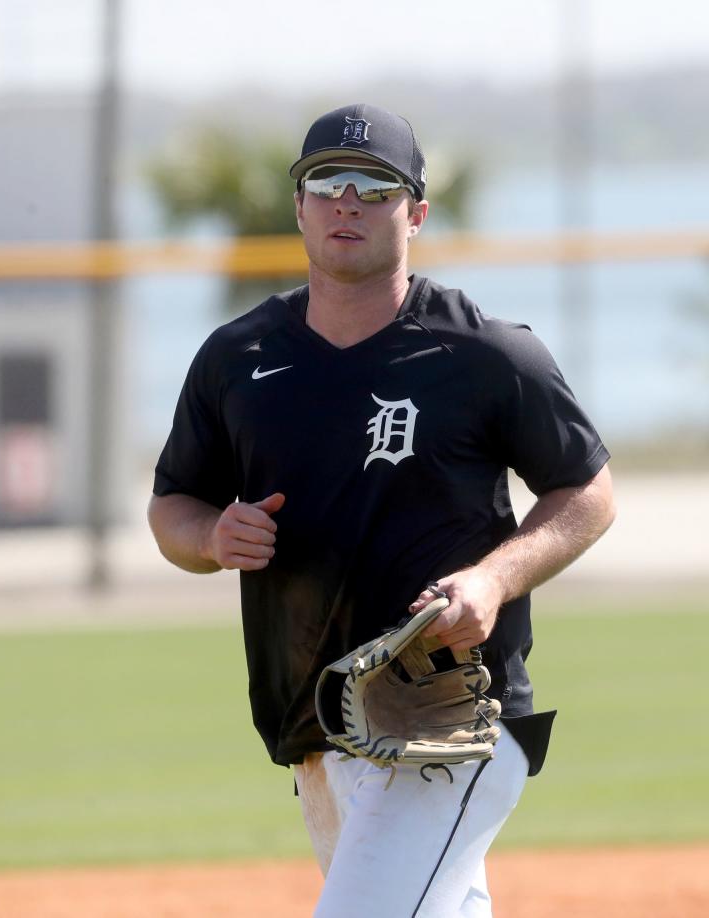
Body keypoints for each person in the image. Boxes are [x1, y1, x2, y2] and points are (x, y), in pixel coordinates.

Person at [148, 102, 615, 917]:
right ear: (298, 205)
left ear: (417, 213)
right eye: (326, 181)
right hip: (314, 725)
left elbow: (589, 492)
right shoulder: (237, 357)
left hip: (449, 720)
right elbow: (171, 507)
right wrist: (211, 535)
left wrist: (494, 581)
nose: (348, 201)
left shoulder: (484, 353)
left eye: (375, 185)